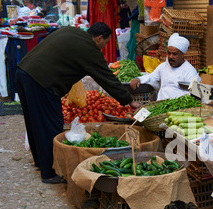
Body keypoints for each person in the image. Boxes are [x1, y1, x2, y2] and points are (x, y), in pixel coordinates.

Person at [16, 22, 141, 184]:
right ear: (99, 38)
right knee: (51, 125)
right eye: (105, 43)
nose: (103, 47)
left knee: (35, 122)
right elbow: (107, 78)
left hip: (23, 72)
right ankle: (49, 173)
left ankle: (41, 163)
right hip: (41, 82)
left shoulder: (71, 31)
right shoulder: (89, 49)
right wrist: (129, 101)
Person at [129, 33, 200, 100]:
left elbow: (193, 95)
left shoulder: (190, 71)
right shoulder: (163, 66)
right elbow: (152, 77)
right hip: (161, 104)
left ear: (182, 55)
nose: (170, 57)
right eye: (169, 53)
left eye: (174, 54)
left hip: (179, 108)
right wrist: (138, 79)